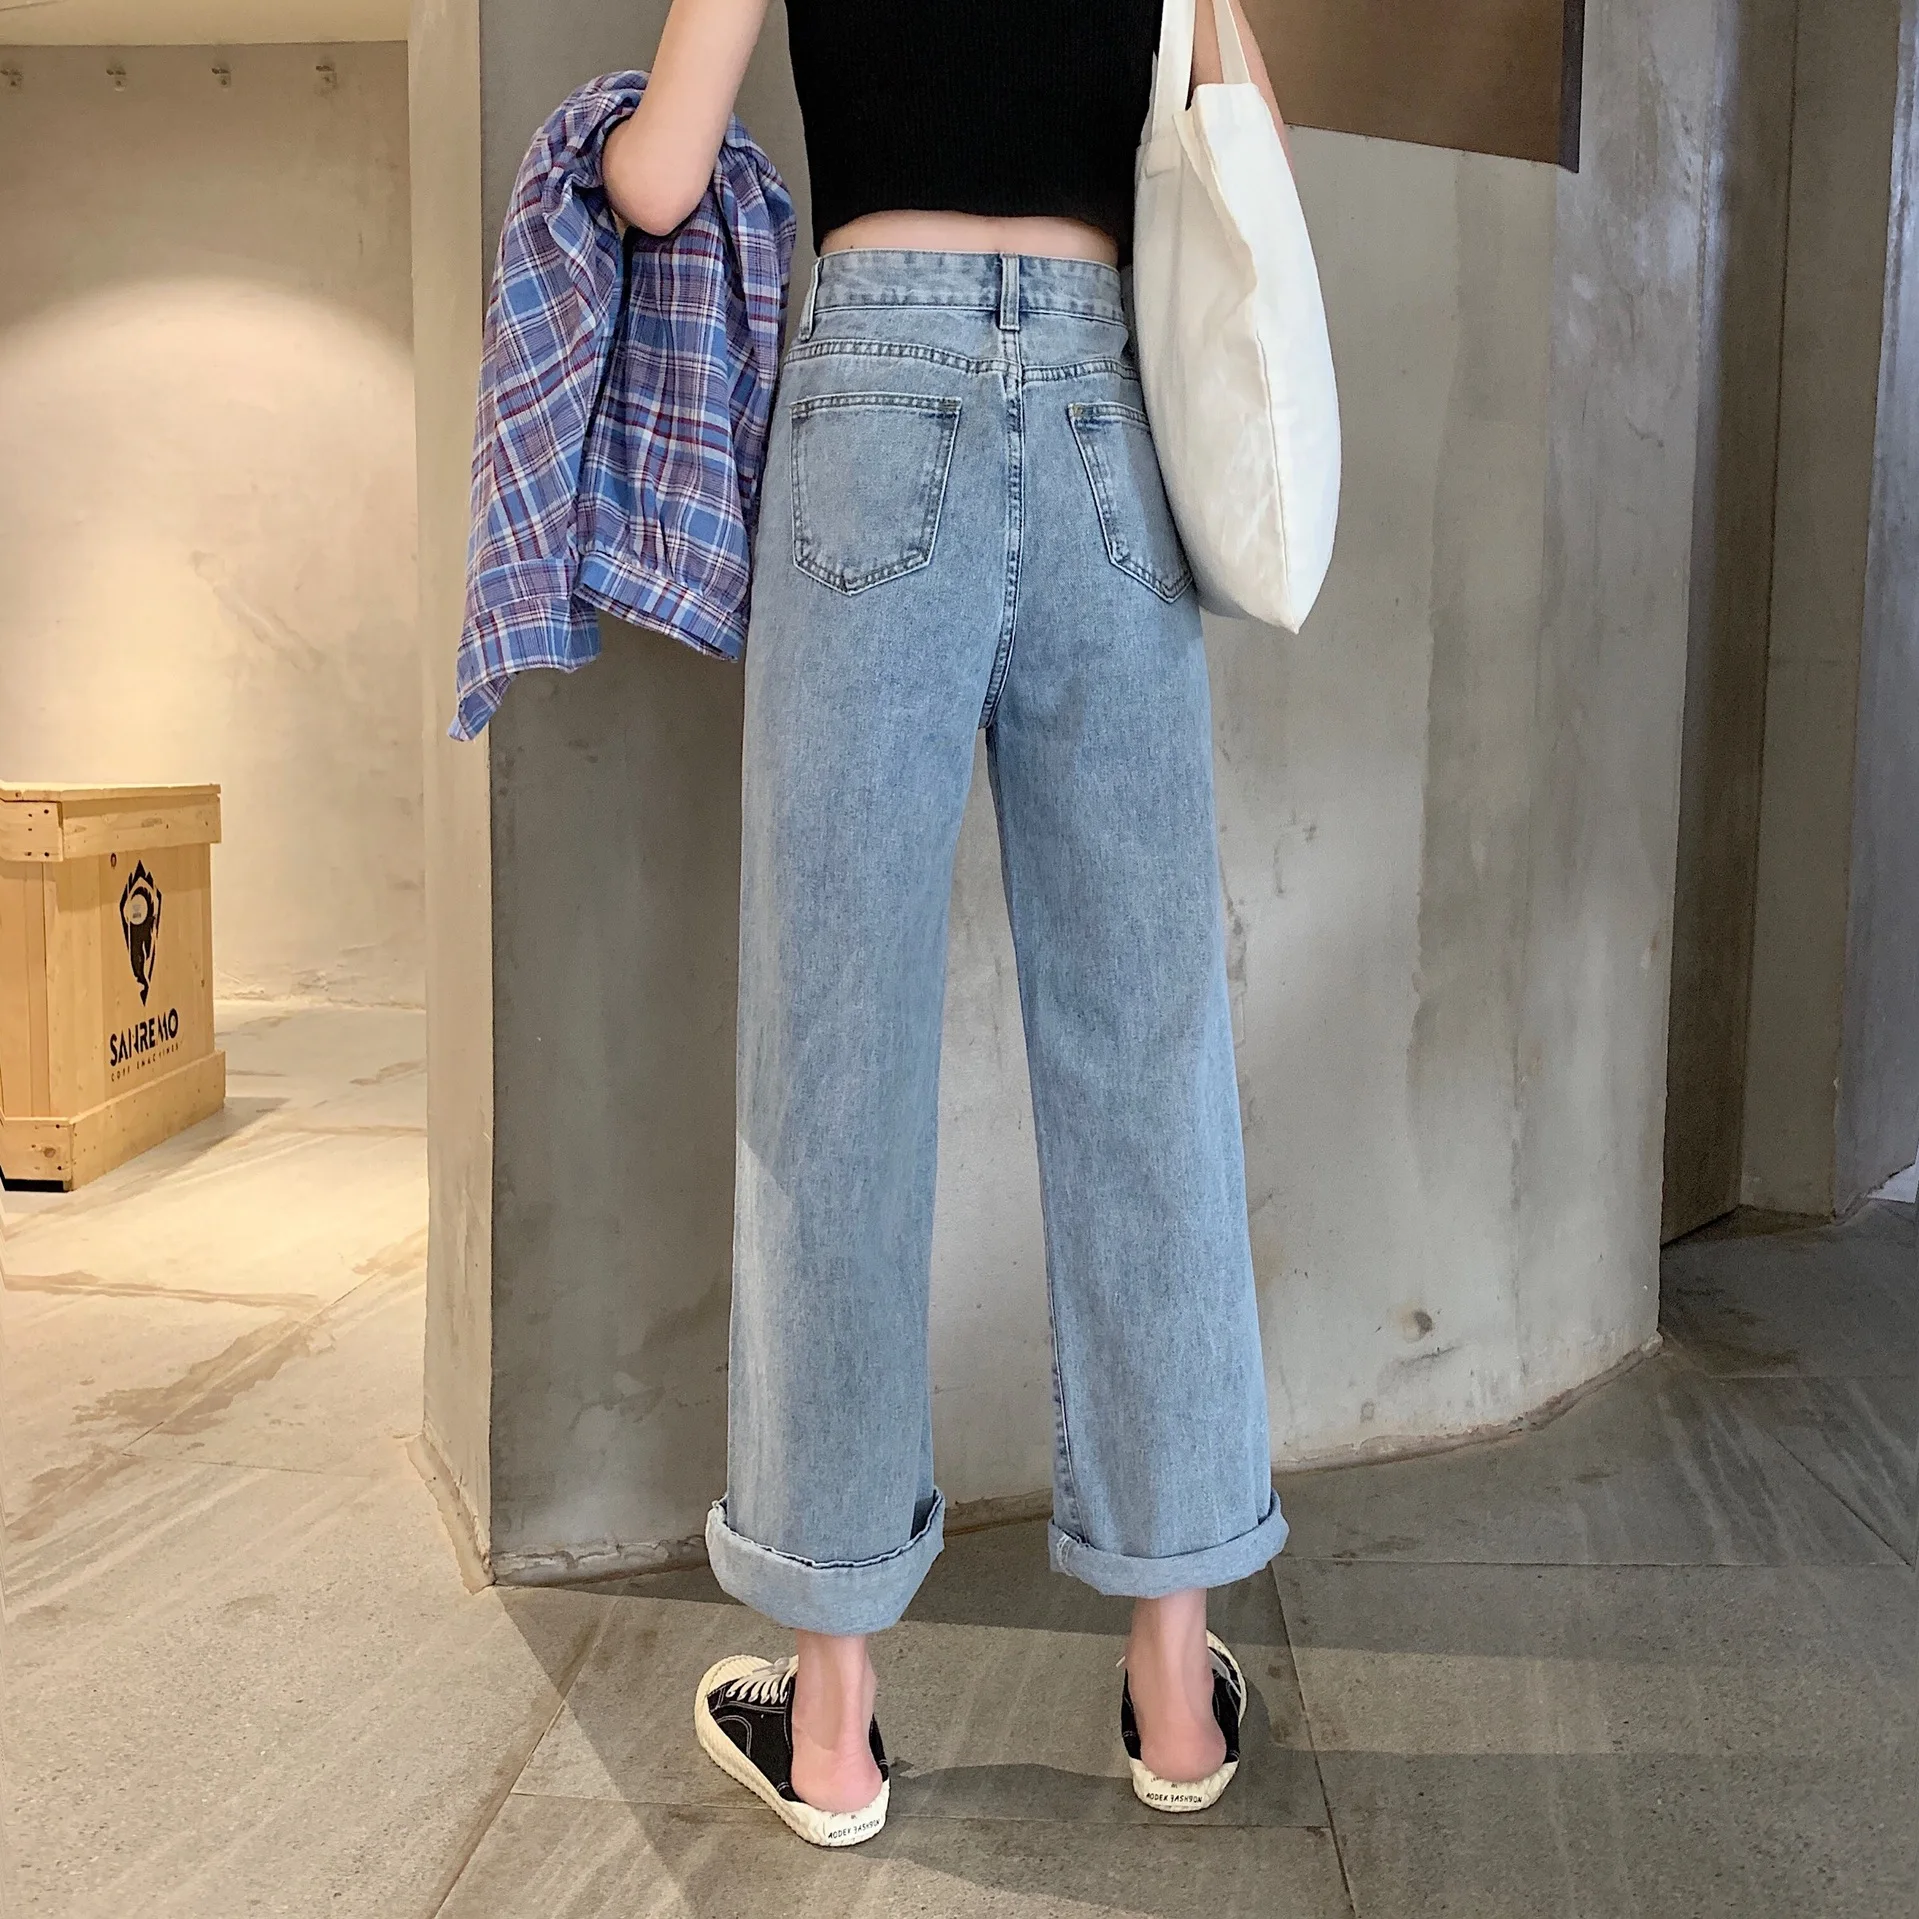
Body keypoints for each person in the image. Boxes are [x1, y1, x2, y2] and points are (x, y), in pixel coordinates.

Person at [602, 0, 1295, 1848]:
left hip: (869, 403)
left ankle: (832, 1728)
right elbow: (1245, 157)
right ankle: (1175, 1693)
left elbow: (661, 178)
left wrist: (603, 148)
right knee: (1149, 1062)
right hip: (1101, 414)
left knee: (831, 1076)